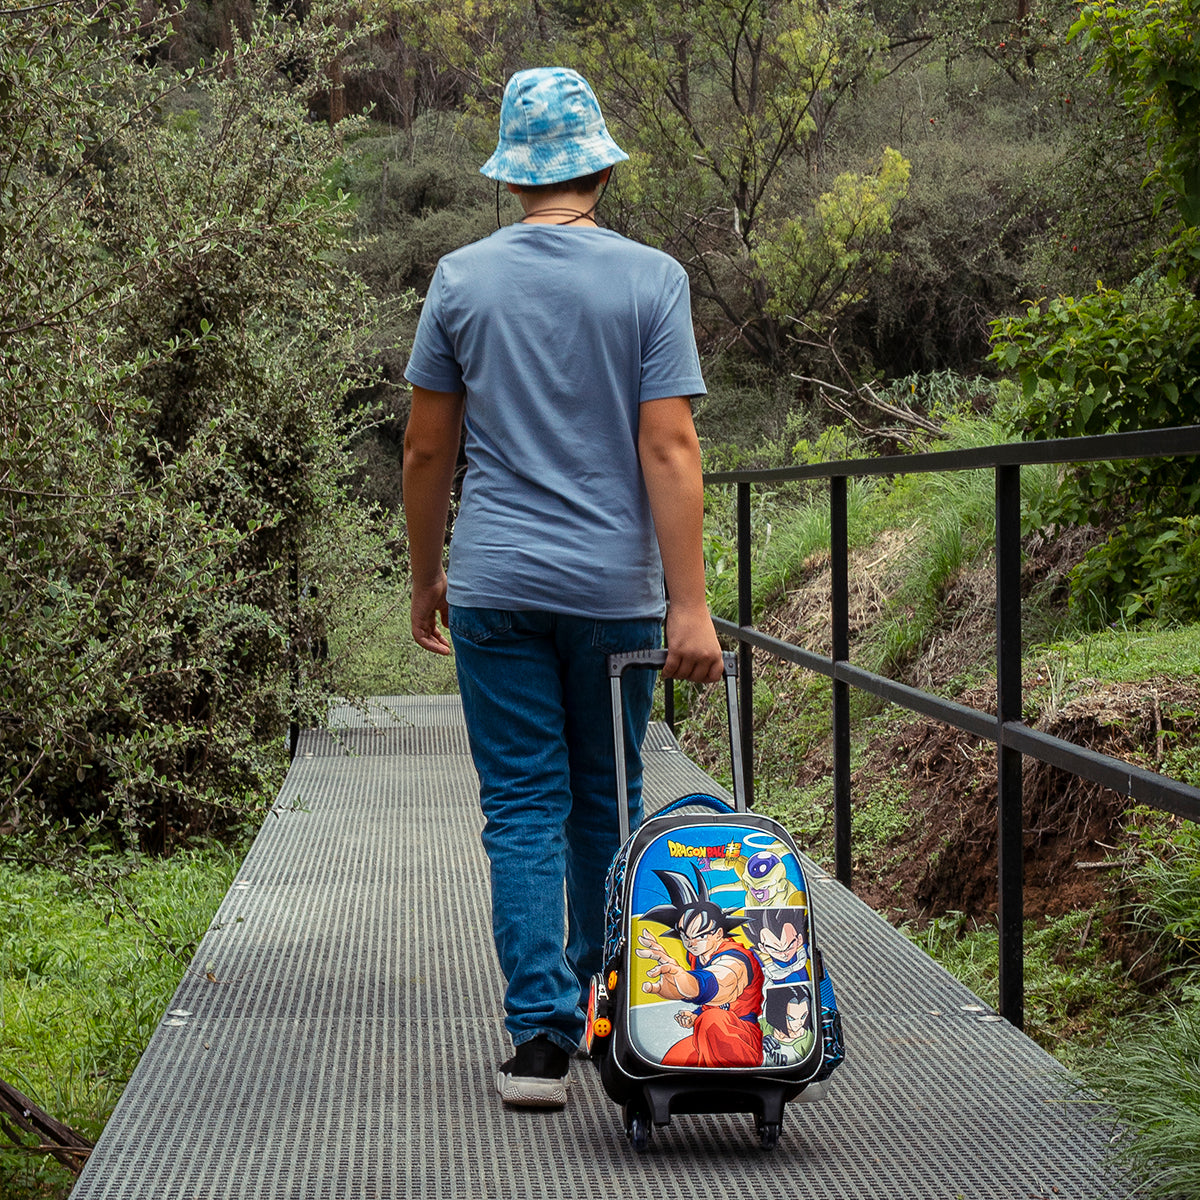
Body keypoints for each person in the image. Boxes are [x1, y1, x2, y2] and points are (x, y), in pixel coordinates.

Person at [401, 66, 724, 1109]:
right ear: (597, 163)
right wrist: (691, 604)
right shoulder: (652, 279)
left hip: (496, 583)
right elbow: (670, 446)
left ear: (511, 174)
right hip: (614, 594)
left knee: (524, 806)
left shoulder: (460, 281)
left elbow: (423, 453)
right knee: (608, 797)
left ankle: (537, 1042)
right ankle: (609, 1006)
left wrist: (426, 578)